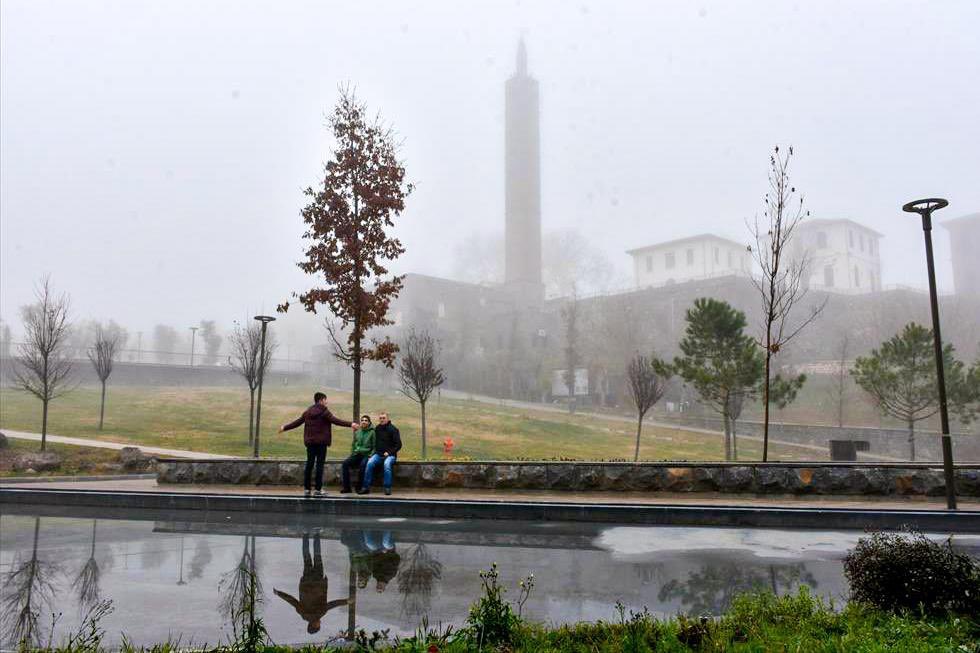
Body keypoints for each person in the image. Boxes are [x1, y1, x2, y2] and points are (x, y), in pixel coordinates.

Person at [279, 392, 356, 497]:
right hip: (321, 443)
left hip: (310, 443)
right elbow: (336, 421)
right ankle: (318, 489)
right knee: (319, 465)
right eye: (325, 400)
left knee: (309, 464)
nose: (326, 402)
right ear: (321, 400)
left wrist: (284, 427)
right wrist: (350, 424)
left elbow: (297, 422)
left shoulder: (308, 412)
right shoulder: (324, 412)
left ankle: (307, 489)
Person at [273, 532, 347, 634]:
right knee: (306, 557)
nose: (320, 624)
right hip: (307, 582)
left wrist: (346, 601)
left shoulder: (320, 613)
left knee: (317, 556)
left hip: (318, 581)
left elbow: (332, 604)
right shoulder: (302, 613)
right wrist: (279, 593)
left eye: (318, 626)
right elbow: (291, 600)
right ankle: (305, 534)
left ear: (313, 625)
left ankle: (316, 534)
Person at [360, 412, 401, 495]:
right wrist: (373, 454)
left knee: (386, 465)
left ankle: (387, 487)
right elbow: (375, 442)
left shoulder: (393, 429)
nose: (382, 420)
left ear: (388, 419)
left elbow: (399, 445)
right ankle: (366, 487)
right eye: (380, 418)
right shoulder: (377, 428)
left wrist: (389, 453)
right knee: (370, 463)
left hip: (390, 455)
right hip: (378, 454)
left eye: (383, 418)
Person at [340, 415, 375, 494]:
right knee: (345, 464)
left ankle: (360, 487)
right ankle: (347, 487)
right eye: (362, 420)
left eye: (366, 420)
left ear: (369, 422)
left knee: (363, 465)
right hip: (357, 454)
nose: (364, 422)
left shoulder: (372, 432)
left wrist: (370, 455)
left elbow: (374, 446)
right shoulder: (358, 432)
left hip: (366, 455)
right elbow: (354, 444)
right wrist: (352, 453)